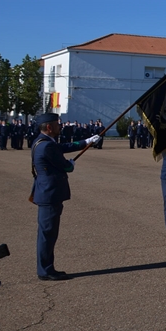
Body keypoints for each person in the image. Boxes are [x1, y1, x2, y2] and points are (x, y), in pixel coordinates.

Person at [31, 113, 100, 279]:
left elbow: (64, 147)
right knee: (48, 234)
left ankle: (47, 268)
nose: (59, 126)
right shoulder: (46, 146)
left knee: (48, 233)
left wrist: (87, 141)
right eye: (56, 123)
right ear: (49, 127)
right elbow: (66, 167)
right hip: (50, 194)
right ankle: (45, 270)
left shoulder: (43, 141)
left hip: (47, 192)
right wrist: (70, 164)